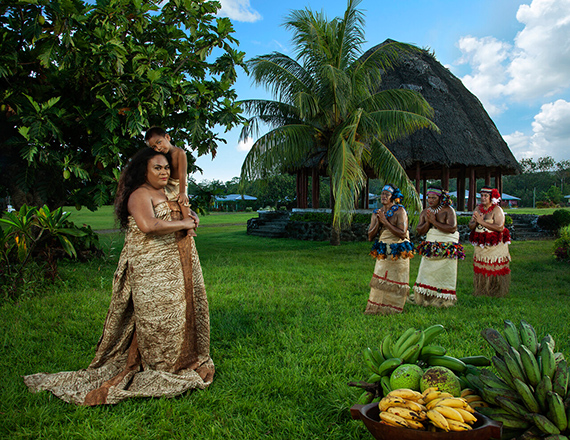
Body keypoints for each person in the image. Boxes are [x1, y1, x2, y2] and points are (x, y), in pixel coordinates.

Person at [23, 148, 214, 405]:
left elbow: (183, 204)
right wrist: (184, 225)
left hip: (179, 264)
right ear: (143, 171)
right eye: (157, 167)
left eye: (166, 167)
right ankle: (161, 366)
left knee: (181, 311)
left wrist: (192, 216)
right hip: (151, 269)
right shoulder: (139, 195)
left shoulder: (170, 191)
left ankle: (183, 359)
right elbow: (149, 226)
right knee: (158, 316)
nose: (164, 171)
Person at [365, 184, 414, 315]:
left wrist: (385, 222)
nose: (384, 196)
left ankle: (394, 307)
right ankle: (377, 306)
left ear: (394, 197)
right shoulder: (377, 213)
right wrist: (378, 222)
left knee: (396, 277)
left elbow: (403, 234)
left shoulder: (400, 211)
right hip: (383, 248)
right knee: (381, 277)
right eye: (382, 194)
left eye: (387, 194)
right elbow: (370, 236)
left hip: (398, 249)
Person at [412, 186, 465, 307]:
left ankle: (443, 299)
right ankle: (426, 297)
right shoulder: (425, 212)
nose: (430, 200)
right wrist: (429, 222)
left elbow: (452, 228)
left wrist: (435, 222)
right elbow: (420, 231)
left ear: (440, 198)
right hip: (431, 247)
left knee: (445, 273)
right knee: (426, 271)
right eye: (429, 197)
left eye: (433, 198)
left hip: (447, 247)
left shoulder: (448, 210)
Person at [145, 126, 198, 237]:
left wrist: (182, 192)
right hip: (167, 183)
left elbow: (183, 174)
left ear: (167, 137)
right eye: (154, 147)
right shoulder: (161, 156)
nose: (158, 148)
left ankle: (190, 227)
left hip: (179, 183)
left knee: (183, 202)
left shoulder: (180, 153)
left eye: (159, 142)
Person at [468, 186, 511, 297]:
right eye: (481, 196)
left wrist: (481, 222)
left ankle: (495, 290)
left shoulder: (497, 210)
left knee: (493, 267)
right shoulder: (477, 209)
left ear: (492, 197)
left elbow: (500, 227)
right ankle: (482, 290)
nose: (483, 198)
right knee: (482, 268)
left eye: (486, 196)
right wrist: (476, 222)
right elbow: (471, 225)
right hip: (481, 245)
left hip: (494, 246)